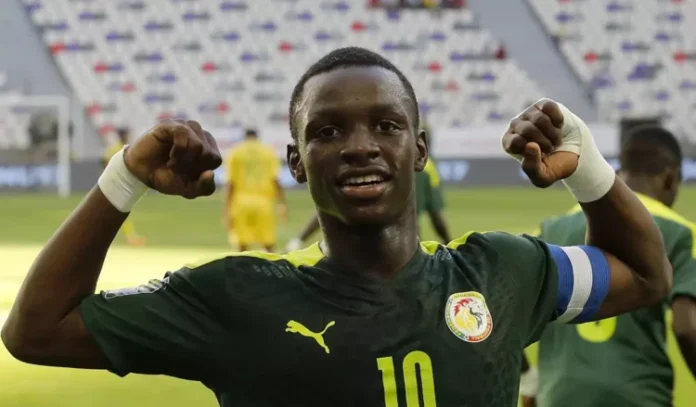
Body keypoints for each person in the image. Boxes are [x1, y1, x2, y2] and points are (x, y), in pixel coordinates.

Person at [1, 47, 672, 407]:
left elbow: (646, 274)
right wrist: (125, 178)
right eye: (327, 131)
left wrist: (587, 166)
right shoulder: (237, 298)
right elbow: (35, 330)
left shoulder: (503, 272)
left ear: (419, 149)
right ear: (296, 162)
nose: (359, 146)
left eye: (386, 124)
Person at [519, 126, 696, 407]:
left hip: (558, 396)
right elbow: (687, 326)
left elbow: (499, 301)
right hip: (638, 397)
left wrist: (528, 380)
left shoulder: (551, 230)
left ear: (618, 172)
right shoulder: (681, 233)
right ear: (671, 178)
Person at [285, 125, 451, 251]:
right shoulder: (427, 168)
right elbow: (436, 214)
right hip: (404, 245)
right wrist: (448, 243)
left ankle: (297, 241)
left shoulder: (359, 165)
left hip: (351, 248)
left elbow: (331, 207)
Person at [223, 128, 287, 252]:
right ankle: (270, 264)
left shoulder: (235, 152)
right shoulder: (268, 152)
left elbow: (230, 183)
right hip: (264, 203)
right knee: (268, 244)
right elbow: (275, 180)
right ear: (257, 137)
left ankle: (242, 264)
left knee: (241, 245)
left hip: (240, 202)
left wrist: (227, 210)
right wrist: (283, 203)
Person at [102, 127, 146, 246]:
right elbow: (105, 164)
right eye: (126, 134)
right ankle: (131, 238)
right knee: (120, 210)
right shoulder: (115, 149)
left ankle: (129, 237)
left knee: (115, 211)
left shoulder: (126, 147)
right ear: (122, 135)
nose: (127, 136)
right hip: (115, 184)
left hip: (121, 184)